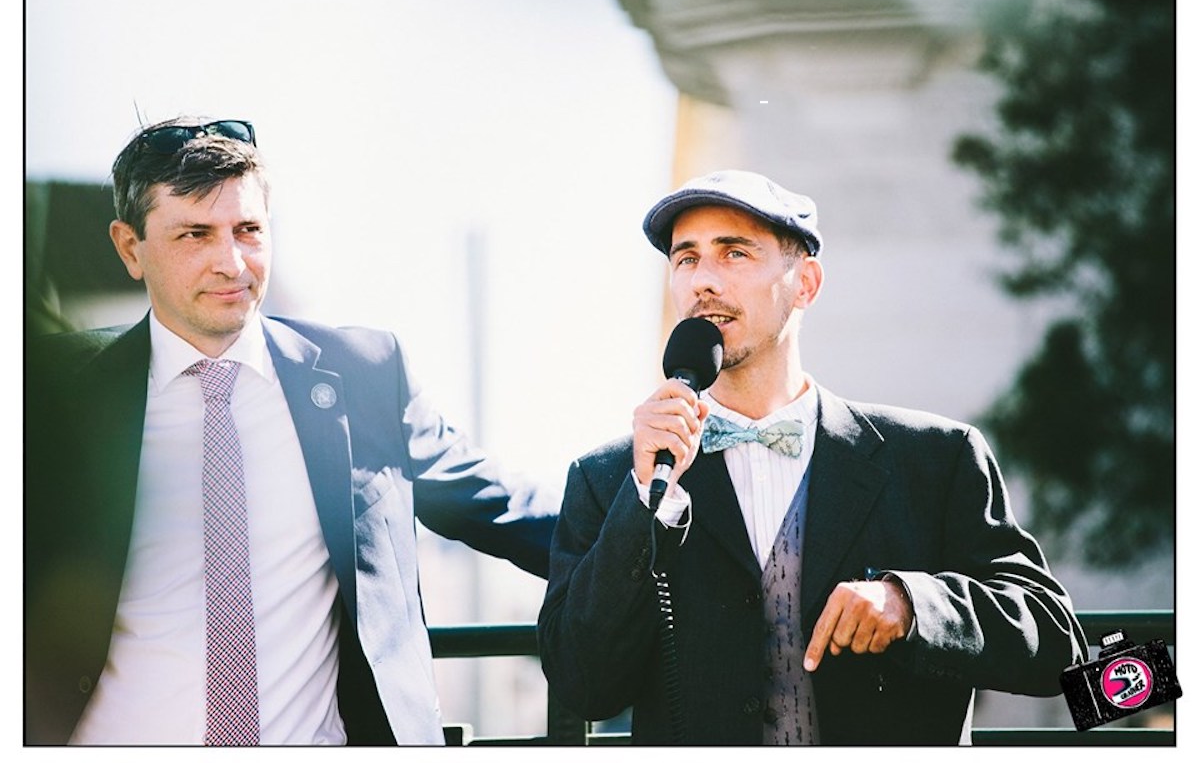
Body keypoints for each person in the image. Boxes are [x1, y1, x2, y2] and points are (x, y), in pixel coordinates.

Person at [24, 117, 559, 745]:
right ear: (130, 247)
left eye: (248, 230)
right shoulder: (54, 392)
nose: (231, 262)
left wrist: (646, 518)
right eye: (195, 234)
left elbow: (501, 508)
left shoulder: (361, 378)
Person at [537, 169, 1088, 745]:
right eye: (687, 258)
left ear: (805, 283)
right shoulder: (608, 479)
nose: (704, 280)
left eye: (734, 253)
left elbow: (1055, 640)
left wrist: (913, 605)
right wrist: (645, 502)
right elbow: (582, 684)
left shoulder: (937, 459)